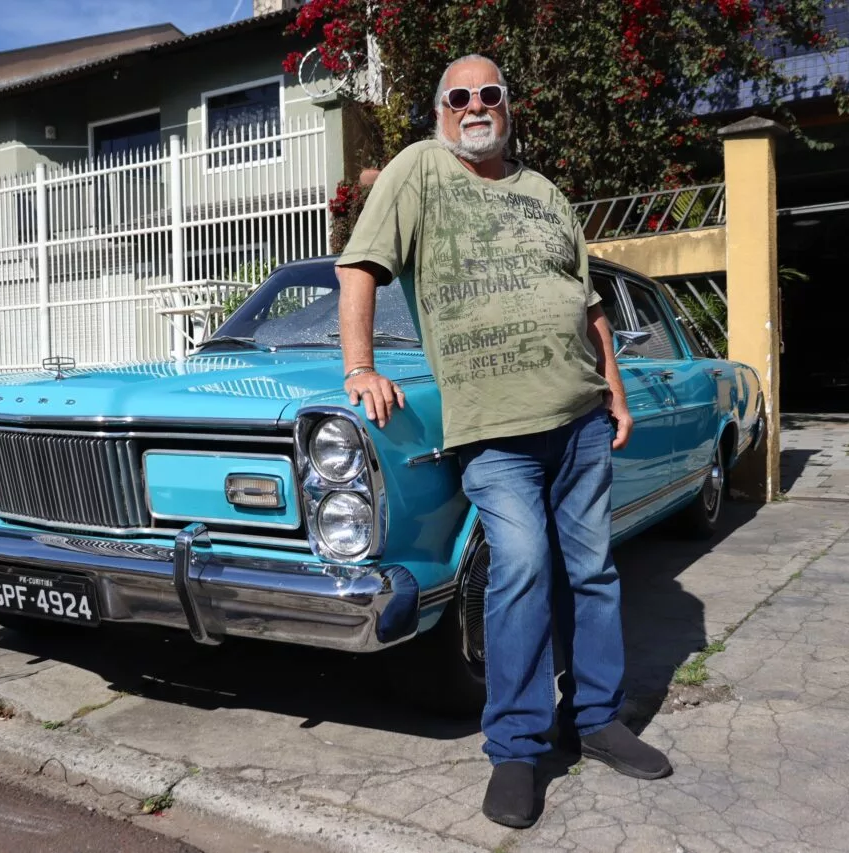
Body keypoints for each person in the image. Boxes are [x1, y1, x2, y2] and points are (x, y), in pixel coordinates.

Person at [334, 54, 673, 828]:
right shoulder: (420, 169)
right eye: (460, 97)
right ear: (440, 111)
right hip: (495, 431)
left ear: (509, 107)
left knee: (591, 571)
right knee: (520, 567)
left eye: (491, 94)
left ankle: (594, 719)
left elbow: (587, 306)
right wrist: (361, 367)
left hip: (580, 420)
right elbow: (360, 268)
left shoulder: (545, 192)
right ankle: (516, 749)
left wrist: (614, 391)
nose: (476, 106)